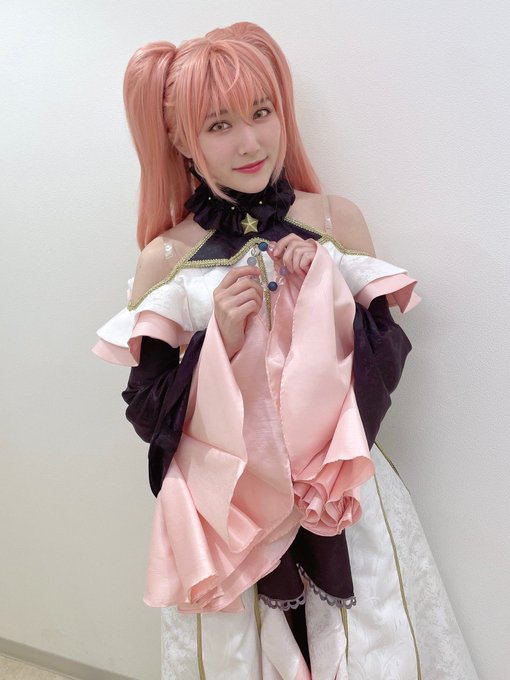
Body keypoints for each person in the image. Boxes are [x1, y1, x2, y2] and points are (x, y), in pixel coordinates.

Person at [94, 22, 478, 680]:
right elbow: (151, 415)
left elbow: (384, 367)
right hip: (231, 513)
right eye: (219, 125)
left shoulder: (333, 221)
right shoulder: (165, 258)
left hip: (341, 493)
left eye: (261, 112)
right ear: (181, 140)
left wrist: (324, 290)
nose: (250, 142)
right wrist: (218, 341)